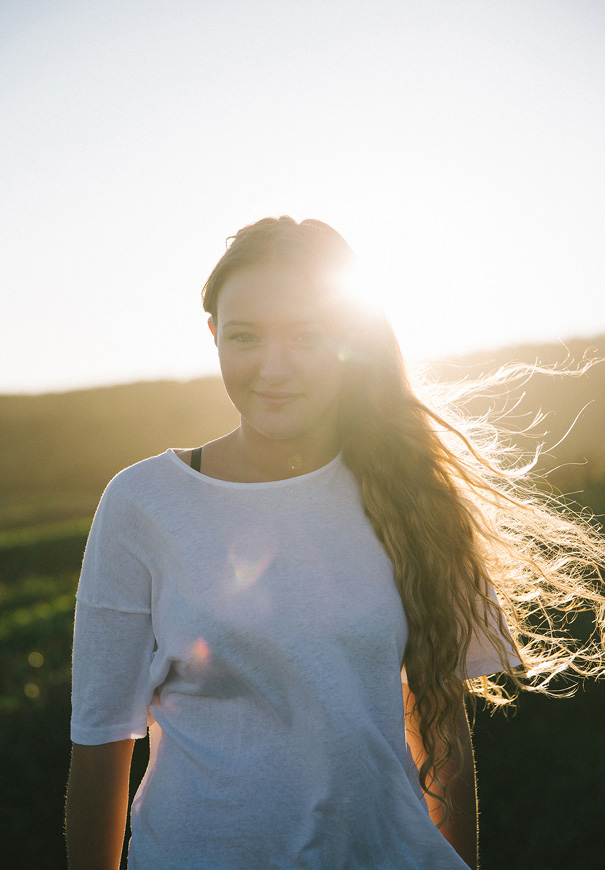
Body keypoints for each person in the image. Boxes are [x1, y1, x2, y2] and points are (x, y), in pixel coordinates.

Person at [65, 216, 605, 870]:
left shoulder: (413, 496)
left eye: (306, 336)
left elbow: (438, 726)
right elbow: (101, 743)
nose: (273, 367)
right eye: (244, 336)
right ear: (213, 337)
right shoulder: (141, 502)